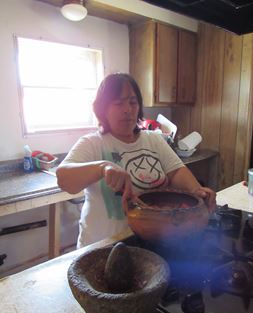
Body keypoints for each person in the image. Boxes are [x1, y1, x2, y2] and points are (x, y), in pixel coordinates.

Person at [56, 73, 216, 248]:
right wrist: (103, 167)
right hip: (102, 249)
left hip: (150, 244)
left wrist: (198, 192)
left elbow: (176, 171)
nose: (128, 109)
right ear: (103, 109)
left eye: (133, 102)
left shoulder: (153, 140)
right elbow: (64, 179)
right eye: (118, 103)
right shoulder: (92, 143)